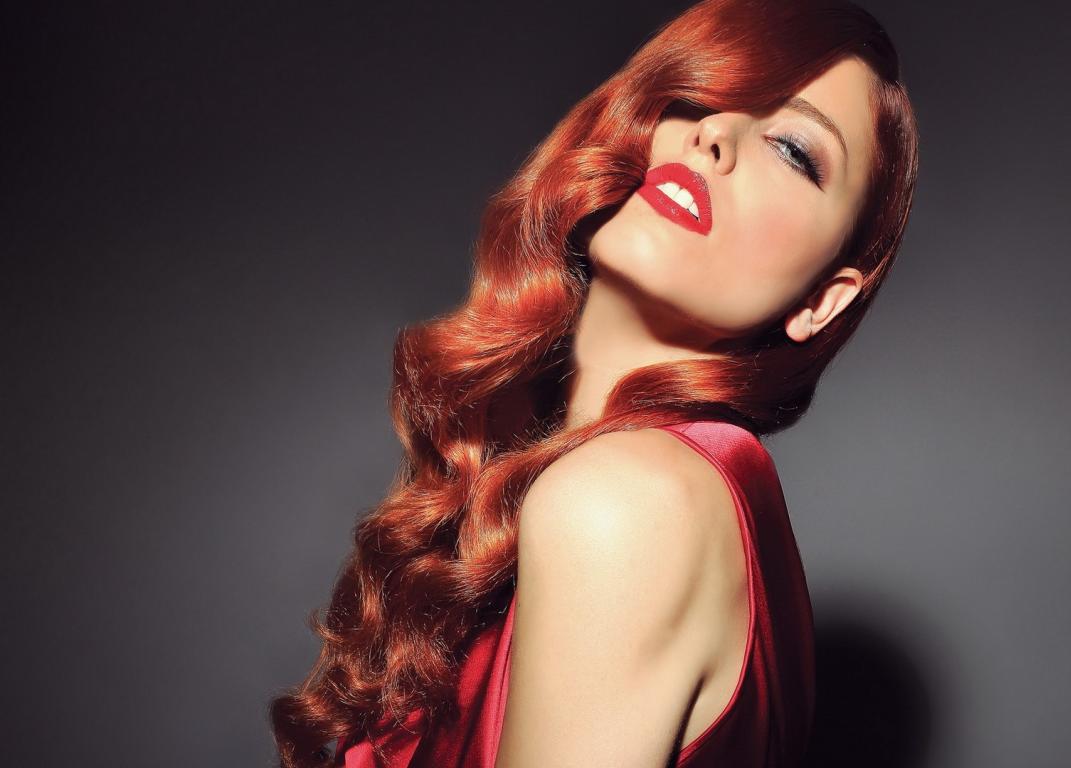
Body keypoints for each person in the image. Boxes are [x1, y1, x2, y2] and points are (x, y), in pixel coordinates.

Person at [269, 0, 920, 765]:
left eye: (792, 149)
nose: (715, 134)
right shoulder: (657, 484)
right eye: (710, 92)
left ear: (823, 302)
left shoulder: (631, 500)